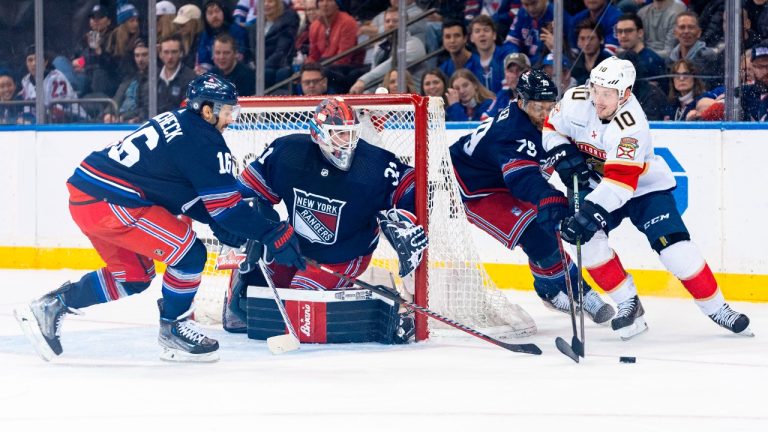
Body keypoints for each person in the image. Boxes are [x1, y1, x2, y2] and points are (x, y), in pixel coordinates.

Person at [14, 73, 304, 363]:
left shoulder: (180, 121)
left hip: (88, 197)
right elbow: (227, 209)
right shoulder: (204, 141)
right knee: (190, 255)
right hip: (113, 202)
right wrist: (272, 232)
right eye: (227, 111)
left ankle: (52, 305)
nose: (231, 119)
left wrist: (216, 221)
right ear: (207, 110)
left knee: (134, 277)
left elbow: (181, 191)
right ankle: (173, 328)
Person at [543, 56, 752, 340]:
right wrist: (562, 153)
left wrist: (589, 213)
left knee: (675, 249)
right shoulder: (576, 99)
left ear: (625, 94)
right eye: (596, 89)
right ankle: (629, 303)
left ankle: (718, 308)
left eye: (608, 93)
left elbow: (620, 184)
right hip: (598, 185)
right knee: (588, 243)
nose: (599, 99)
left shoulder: (632, 125)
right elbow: (551, 128)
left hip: (643, 188)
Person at [227, 97, 427, 343]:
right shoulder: (288, 152)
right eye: (339, 134)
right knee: (258, 290)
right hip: (296, 246)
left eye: (351, 133)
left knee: (301, 299)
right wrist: (247, 223)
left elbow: (414, 186)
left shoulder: (373, 164)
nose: (348, 142)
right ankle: (240, 283)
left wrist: (405, 219)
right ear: (318, 133)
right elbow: (244, 192)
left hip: (345, 254)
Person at [449, 70, 614, 323]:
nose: (546, 114)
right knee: (536, 235)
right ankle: (583, 294)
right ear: (521, 101)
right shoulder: (511, 132)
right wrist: (547, 196)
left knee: (549, 228)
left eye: (550, 106)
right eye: (539, 107)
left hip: (504, 178)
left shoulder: (551, 118)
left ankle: (547, 288)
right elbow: (522, 180)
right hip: (474, 186)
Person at [348, 7, 426, 94]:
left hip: (412, 98)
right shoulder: (380, 47)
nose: (390, 24)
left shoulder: (414, 44)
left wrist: (363, 80)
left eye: (395, 21)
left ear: (406, 23)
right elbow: (374, 78)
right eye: (387, 21)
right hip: (385, 97)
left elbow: (392, 64)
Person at [197, 1, 251, 73]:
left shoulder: (237, 31)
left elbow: (240, 57)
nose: (214, 16)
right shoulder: (205, 35)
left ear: (223, 12)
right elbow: (204, 61)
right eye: (210, 13)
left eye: (217, 11)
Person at [482, 52, 530, 120]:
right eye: (511, 71)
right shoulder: (502, 95)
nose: (515, 75)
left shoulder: (538, 96)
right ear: (505, 74)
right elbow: (485, 119)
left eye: (520, 70)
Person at [157, 35, 199, 113]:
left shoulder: (191, 78)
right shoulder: (153, 77)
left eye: (174, 52)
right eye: (166, 52)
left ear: (181, 53)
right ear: (160, 54)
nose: (170, 57)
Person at [571, 17, 612, 85]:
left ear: (601, 39)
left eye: (591, 38)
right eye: (582, 38)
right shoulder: (574, 65)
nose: (586, 43)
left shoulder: (610, 63)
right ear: (578, 42)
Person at [173, 4, 204, 70]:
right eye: (179, 25)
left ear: (195, 22)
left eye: (183, 25)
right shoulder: (177, 39)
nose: (180, 28)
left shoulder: (202, 40)